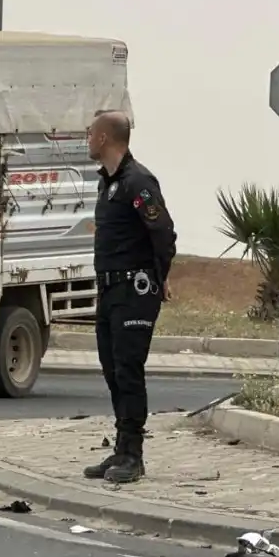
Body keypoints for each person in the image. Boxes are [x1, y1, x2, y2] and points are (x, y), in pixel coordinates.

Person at [81, 110, 177, 485]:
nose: (87, 139)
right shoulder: (108, 183)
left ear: (104, 138)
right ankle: (120, 449)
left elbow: (163, 231)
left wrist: (160, 275)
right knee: (113, 370)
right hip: (108, 288)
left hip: (135, 290)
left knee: (129, 370)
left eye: (91, 133)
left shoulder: (138, 181)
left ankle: (134, 456)